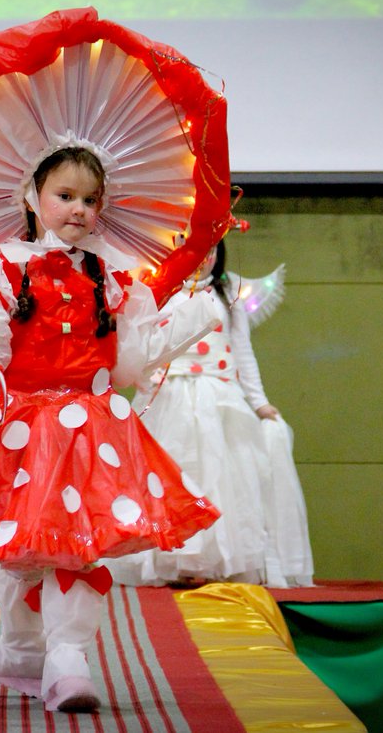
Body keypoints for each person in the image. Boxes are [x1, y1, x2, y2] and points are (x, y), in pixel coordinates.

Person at [0, 145, 224, 713]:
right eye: (65, 196)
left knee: (77, 550)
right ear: (32, 196)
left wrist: (181, 321)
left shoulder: (114, 274)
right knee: (24, 550)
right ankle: (22, 647)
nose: (79, 209)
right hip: (21, 427)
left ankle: (68, 658)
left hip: (91, 426)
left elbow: (125, 366)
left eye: (90, 200)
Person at [103, 238, 315, 588]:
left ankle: (216, 560)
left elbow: (243, 353)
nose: (203, 258)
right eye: (192, 250)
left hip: (219, 397)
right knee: (172, 474)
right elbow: (141, 346)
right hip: (167, 396)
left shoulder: (227, 295)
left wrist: (259, 402)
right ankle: (173, 556)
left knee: (223, 478)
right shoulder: (160, 293)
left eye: (210, 250)